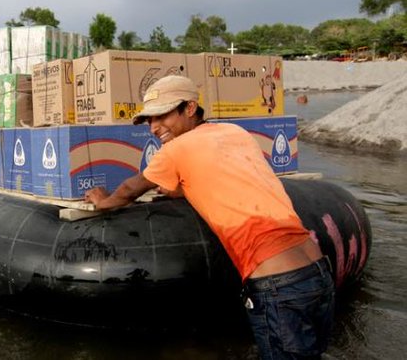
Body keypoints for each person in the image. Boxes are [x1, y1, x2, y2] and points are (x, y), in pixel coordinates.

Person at [84, 75, 335, 359]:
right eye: (148, 121)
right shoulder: (235, 133)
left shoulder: (175, 150)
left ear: (190, 108)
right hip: (318, 272)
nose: (154, 127)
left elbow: (130, 189)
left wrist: (103, 201)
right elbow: (213, 179)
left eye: (162, 116)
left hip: (277, 281)